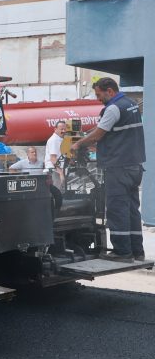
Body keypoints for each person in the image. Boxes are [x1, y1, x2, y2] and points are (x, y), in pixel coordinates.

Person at [71, 77, 146, 262]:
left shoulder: (113, 108)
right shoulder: (130, 104)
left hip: (118, 167)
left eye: (99, 95)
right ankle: (137, 251)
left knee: (116, 209)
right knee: (131, 209)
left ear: (110, 91)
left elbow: (98, 134)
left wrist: (78, 144)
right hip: (134, 165)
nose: (98, 99)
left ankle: (122, 252)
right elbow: (118, 136)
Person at [44, 120, 66, 188]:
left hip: (58, 170)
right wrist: (61, 173)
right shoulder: (54, 140)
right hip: (54, 171)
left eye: (65, 129)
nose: (63, 131)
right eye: (61, 129)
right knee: (56, 191)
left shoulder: (60, 138)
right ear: (55, 129)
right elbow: (53, 158)